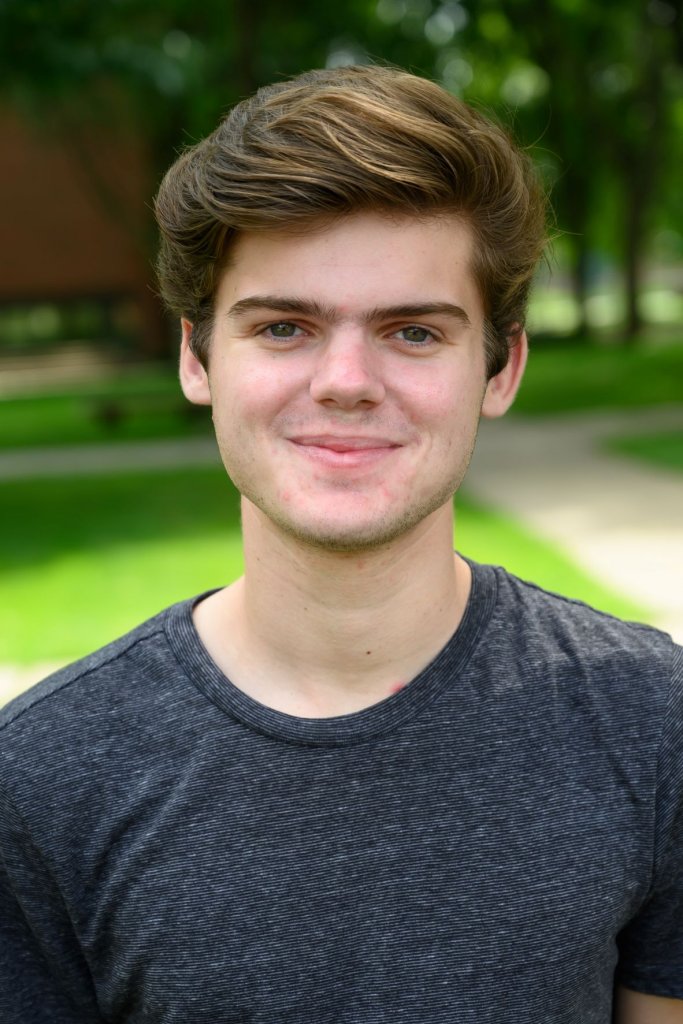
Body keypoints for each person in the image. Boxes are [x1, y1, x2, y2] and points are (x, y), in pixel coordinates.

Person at [1, 65, 681, 1024]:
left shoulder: (652, 720)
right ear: (197, 358)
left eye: (411, 332)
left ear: (501, 366)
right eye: (284, 327)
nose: (346, 381)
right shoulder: (41, 779)